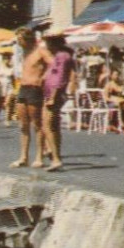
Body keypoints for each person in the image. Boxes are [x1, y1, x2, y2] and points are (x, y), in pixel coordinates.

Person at [11, 28, 52, 168]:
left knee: (37, 124)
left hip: (35, 88)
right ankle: (23, 157)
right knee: (23, 125)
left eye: (20, 39)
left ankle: (39, 156)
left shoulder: (40, 51)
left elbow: (53, 64)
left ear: (27, 39)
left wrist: (44, 77)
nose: (18, 42)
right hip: (23, 88)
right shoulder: (23, 52)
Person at [40, 34, 73, 166]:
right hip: (50, 93)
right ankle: (55, 155)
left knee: (48, 126)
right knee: (52, 126)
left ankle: (56, 158)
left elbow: (60, 78)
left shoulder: (62, 56)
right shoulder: (59, 56)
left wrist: (53, 96)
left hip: (54, 94)